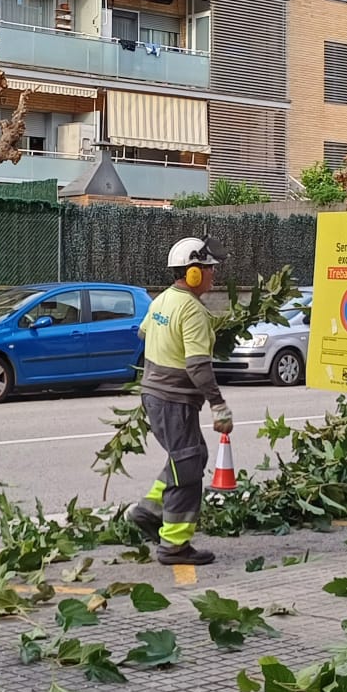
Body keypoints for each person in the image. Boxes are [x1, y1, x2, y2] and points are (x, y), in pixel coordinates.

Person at [127, 237, 234, 566]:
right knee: (188, 464)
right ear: (193, 274)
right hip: (174, 399)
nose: (212, 277)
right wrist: (218, 405)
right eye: (208, 270)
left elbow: (143, 333)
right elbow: (198, 366)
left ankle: (150, 509)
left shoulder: (162, 301)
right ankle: (174, 545)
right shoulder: (191, 310)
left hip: (154, 394)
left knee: (189, 456)